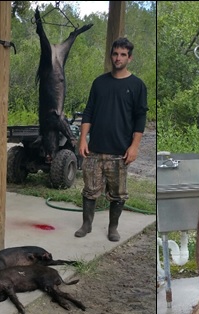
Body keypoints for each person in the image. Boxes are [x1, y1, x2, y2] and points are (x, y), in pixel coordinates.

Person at [76, 37, 148, 242]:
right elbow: (89, 112)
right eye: (115, 54)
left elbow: (140, 118)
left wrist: (134, 147)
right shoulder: (99, 83)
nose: (118, 58)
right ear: (111, 56)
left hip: (119, 151)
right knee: (90, 190)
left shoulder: (137, 85)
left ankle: (113, 228)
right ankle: (86, 224)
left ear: (129, 58)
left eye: (123, 55)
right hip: (95, 149)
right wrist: (83, 139)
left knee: (118, 194)